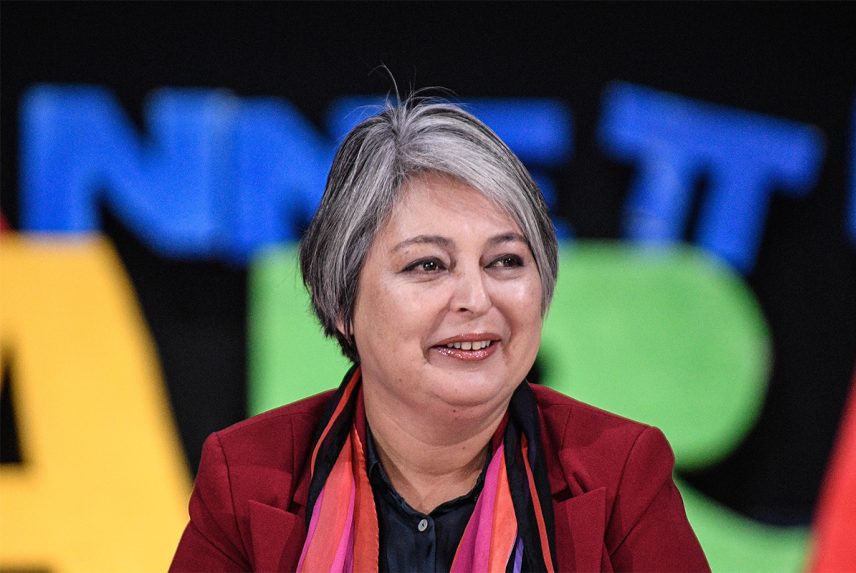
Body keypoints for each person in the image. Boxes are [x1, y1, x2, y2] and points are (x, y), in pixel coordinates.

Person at [170, 97, 710, 572]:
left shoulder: (620, 472)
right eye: (428, 265)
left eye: (505, 260)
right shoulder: (245, 476)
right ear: (342, 304)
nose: (476, 298)